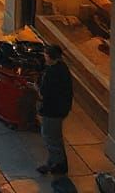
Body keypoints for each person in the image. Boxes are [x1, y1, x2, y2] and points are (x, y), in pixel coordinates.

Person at [35, 43, 73, 176]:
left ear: (51, 57)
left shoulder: (51, 73)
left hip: (52, 110)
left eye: (45, 56)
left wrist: (35, 87)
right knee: (56, 136)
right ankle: (54, 163)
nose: (44, 58)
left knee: (50, 137)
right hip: (61, 108)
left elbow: (43, 93)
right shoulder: (63, 68)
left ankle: (57, 164)